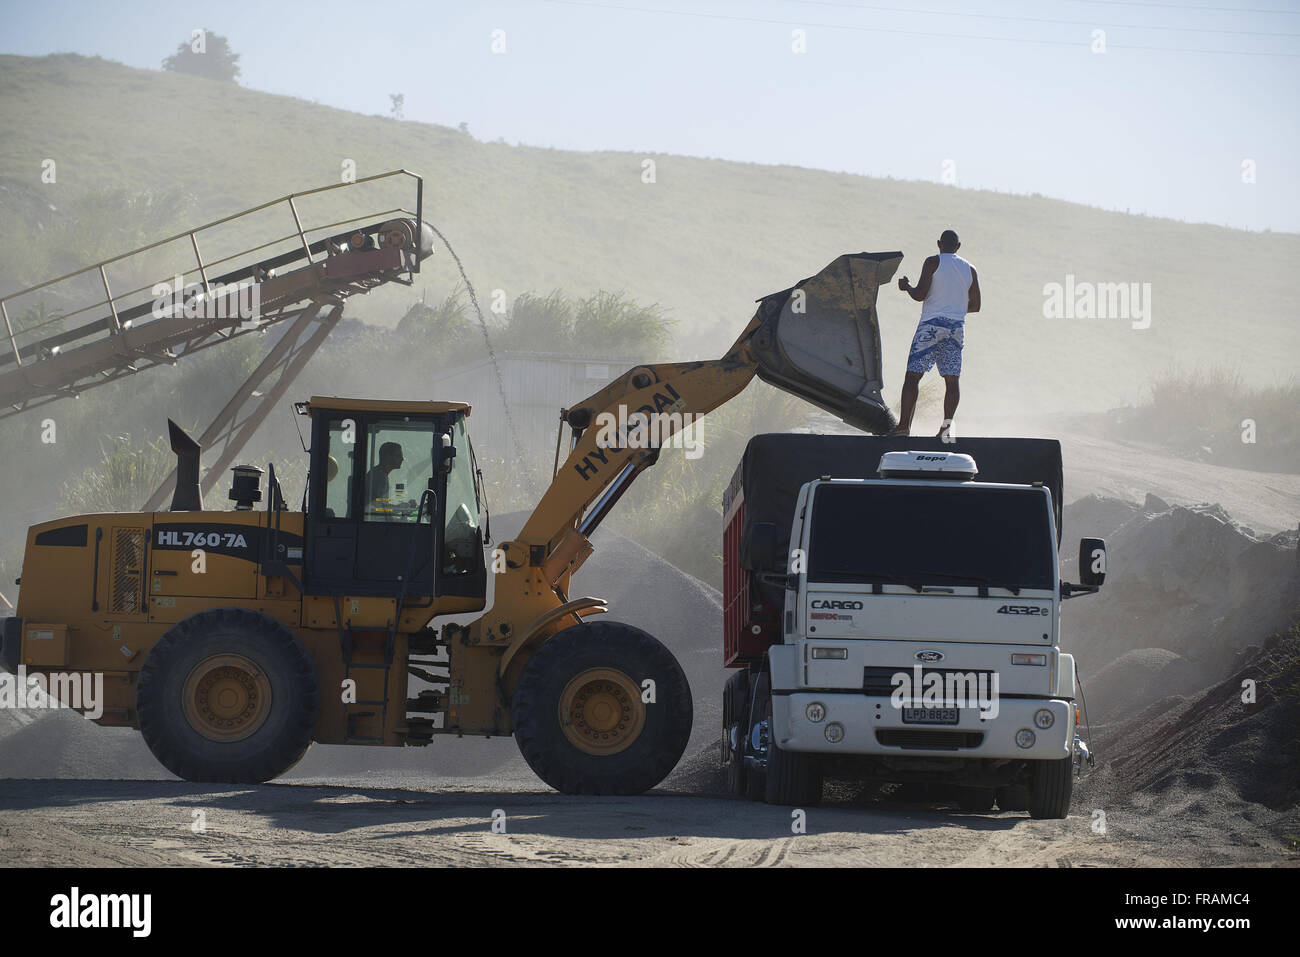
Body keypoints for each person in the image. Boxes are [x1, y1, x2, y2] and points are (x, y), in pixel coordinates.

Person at [892, 229, 981, 440]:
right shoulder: (970, 269)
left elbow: (920, 295)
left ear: (939, 244)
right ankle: (946, 429)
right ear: (959, 247)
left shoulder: (933, 261)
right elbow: (976, 305)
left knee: (913, 376)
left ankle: (904, 426)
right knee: (952, 380)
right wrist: (955, 308)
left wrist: (907, 287)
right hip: (956, 327)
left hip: (931, 324)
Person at [366, 441, 404, 511]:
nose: (402, 459)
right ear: (388, 457)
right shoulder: (378, 476)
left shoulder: (380, 474)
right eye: (398, 456)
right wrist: (399, 508)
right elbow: (377, 506)